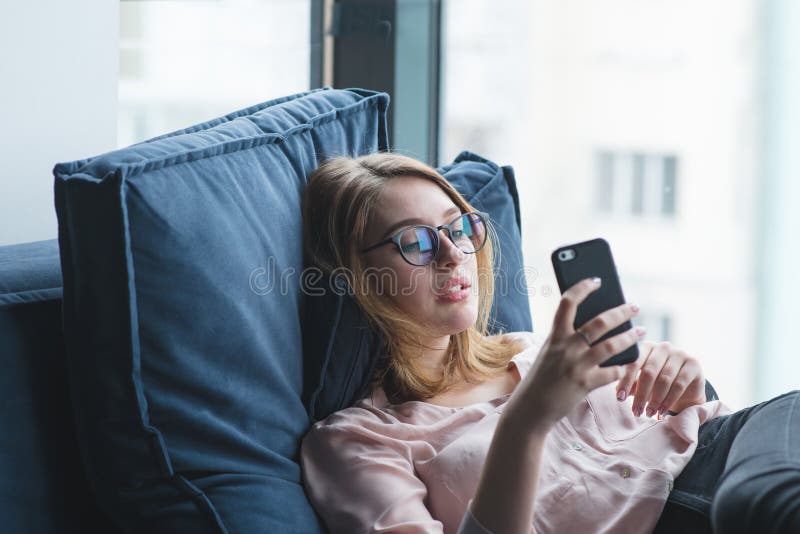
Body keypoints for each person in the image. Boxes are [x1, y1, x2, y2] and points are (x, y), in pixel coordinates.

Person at [299, 152, 800, 533]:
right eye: (415, 241)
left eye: (458, 228)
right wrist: (526, 421)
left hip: (740, 443)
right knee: (762, 508)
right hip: (706, 510)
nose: (453, 255)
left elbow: (681, 427)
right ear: (354, 275)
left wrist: (682, 390)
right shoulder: (358, 441)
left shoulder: (534, 348)